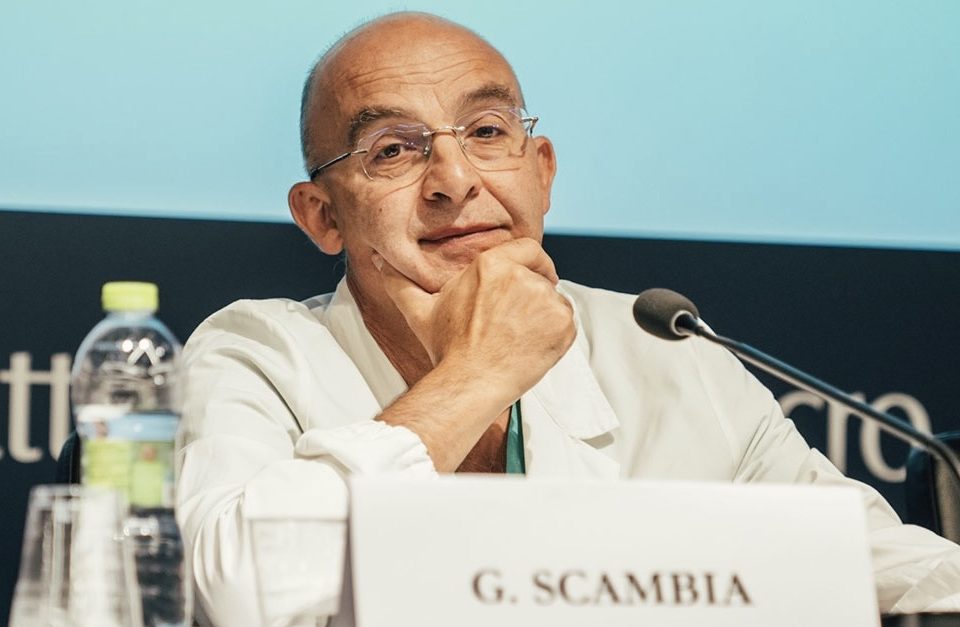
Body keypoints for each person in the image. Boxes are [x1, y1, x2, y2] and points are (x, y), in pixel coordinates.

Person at [175, 11, 960, 625]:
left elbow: (873, 561)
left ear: (540, 172)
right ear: (322, 215)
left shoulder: (669, 350)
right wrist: (476, 374)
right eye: (393, 150)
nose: (454, 180)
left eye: (488, 133)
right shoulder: (257, 351)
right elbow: (239, 594)